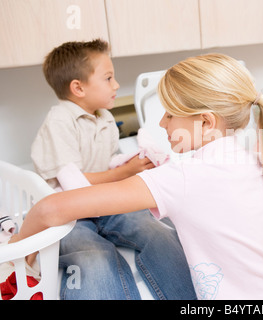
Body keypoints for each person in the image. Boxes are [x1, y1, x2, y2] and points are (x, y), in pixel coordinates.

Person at [13, 53, 263, 300]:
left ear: (205, 122)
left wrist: (16, 254)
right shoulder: (251, 159)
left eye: (169, 113)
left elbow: (50, 208)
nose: (161, 121)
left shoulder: (184, 177)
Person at [30, 39, 196, 300]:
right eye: (108, 78)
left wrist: (133, 163)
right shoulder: (60, 120)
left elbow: (105, 162)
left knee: (160, 234)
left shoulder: (104, 117)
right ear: (78, 88)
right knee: (94, 257)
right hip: (70, 214)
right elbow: (72, 182)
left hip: (105, 203)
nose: (117, 85)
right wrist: (124, 173)